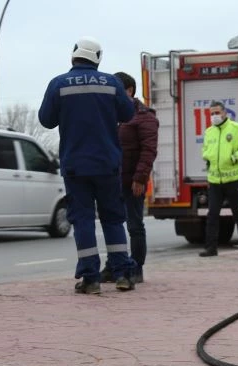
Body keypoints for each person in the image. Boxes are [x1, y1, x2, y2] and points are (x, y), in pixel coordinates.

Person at [38, 36, 136, 294]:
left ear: (73, 56)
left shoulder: (58, 84)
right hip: (107, 164)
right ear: (98, 57)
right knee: (113, 219)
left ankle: (91, 279)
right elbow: (128, 113)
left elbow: (46, 121)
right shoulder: (112, 83)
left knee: (82, 221)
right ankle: (123, 275)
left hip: (75, 166)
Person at [100, 72, 159, 284]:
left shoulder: (144, 116)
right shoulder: (110, 115)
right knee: (112, 225)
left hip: (133, 181)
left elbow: (149, 150)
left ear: (129, 91)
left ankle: (136, 268)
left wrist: (140, 178)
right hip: (111, 181)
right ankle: (113, 266)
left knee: (134, 226)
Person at [198, 101, 238, 257]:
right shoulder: (209, 132)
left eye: (217, 113)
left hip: (234, 180)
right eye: (212, 113)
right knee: (212, 214)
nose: (214, 116)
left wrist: (235, 158)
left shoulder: (237, 129)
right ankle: (211, 248)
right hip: (215, 181)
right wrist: (206, 157)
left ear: (224, 113)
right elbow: (205, 150)